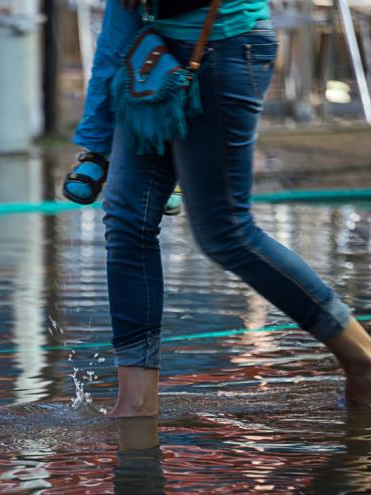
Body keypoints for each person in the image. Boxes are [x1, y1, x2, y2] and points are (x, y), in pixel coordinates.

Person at [67, 0, 371, 417]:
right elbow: (119, 18)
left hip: (223, 47)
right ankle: (135, 404)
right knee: (125, 221)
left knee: (226, 233)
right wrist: (97, 140)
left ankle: (362, 357)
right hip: (151, 56)